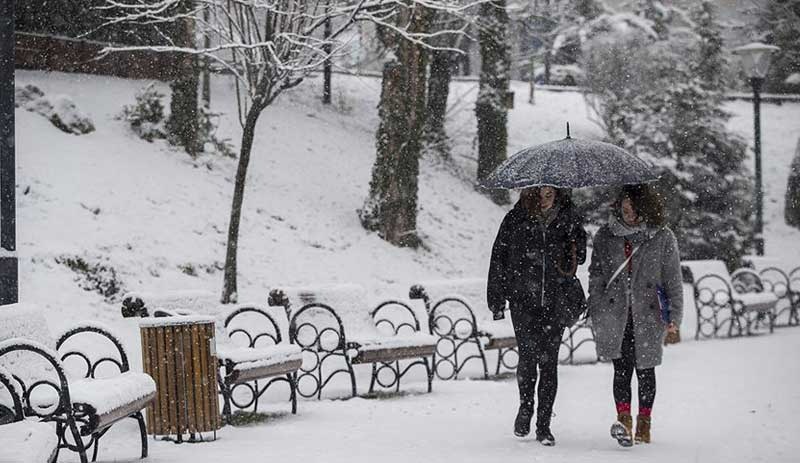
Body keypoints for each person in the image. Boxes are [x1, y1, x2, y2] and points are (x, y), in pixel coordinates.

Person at [487, 186, 587, 446]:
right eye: (539, 194)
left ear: (557, 194)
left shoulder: (568, 217)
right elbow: (498, 257)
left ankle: (544, 424)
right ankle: (525, 408)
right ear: (530, 193)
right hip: (523, 301)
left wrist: (574, 235)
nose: (544, 200)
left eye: (549, 195)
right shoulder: (515, 218)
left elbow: (581, 257)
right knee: (528, 357)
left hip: (556, 300)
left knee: (549, 362)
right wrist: (496, 298)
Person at [587, 184, 683, 447]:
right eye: (624, 209)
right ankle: (624, 421)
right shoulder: (606, 235)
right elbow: (596, 275)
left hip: (648, 315)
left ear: (645, 209)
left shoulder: (662, 237)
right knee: (621, 368)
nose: (628, 214)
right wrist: (595, 305)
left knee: (645, 369)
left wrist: (675, 316)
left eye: (633, 210)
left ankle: (644, 423)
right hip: (614, 313)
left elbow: (673, 279)